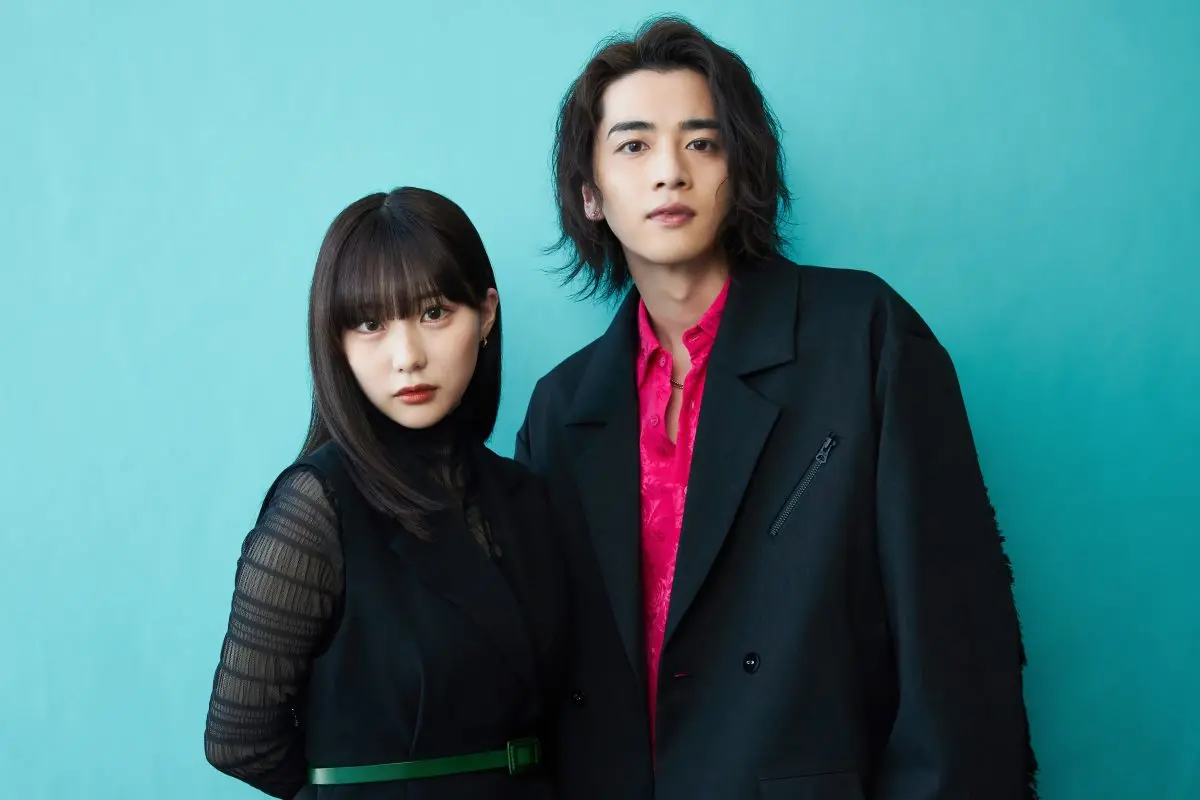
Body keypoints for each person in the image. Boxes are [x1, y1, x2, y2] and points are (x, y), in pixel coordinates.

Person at [515, 15, 1038, 800]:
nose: (670, 172)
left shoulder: (862, 336)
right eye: (633, 146)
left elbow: (954, 633)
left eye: (701, 142)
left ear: (741, 167)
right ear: (590, 194)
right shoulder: (560, 410)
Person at [204, 187, 567, 799]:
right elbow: (239, 738)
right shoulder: (318, 506)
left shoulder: (524, 495)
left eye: (434, 313)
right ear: (336, 341)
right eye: (371, 324)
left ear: (486, 315)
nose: (407, 357)